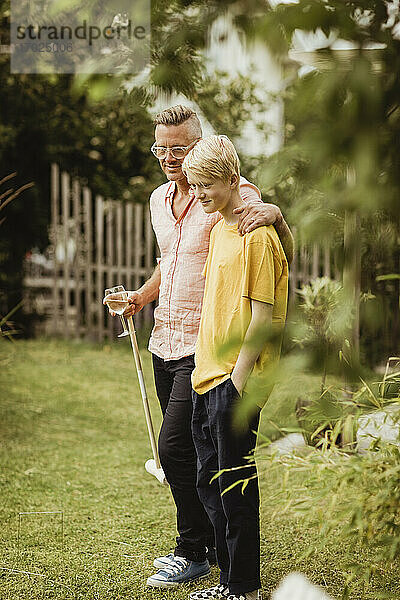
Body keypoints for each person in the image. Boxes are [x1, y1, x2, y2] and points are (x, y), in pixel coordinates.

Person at [121, 105, 293, 588]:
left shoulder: (222, 194)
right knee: (190, 456)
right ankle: (208, 550)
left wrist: (278, 215)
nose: (170, 157)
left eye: (180, 147)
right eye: (162, 148)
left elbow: (258, 218)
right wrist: (141, 296)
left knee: (173, 447)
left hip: (211, 346)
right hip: (166, 336)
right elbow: (170, 260)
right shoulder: (160, 199)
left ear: (198, 145)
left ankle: (195, 551)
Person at [182, 135, 288, 600]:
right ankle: (228, 583)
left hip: (234, 380)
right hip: (206, 375)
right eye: (194, 185)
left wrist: (236, 384)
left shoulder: (257, 237)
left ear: (232, 179)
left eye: (207, 185)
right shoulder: (219, 227)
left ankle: (243, 588)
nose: (199, 194)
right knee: (209, 483)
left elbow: (263, 319)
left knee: (235, 490)